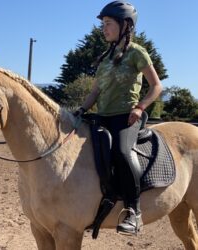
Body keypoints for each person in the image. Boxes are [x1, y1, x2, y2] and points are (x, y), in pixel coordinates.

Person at [75, 1, 163, 235]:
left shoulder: (137, 52)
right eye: (102, 24)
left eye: (107, 24)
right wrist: (81, 110)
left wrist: (140, 107)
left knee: (122, 152)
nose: (103, 29)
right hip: (102, 116)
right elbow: (95, 92)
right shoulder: (105, 59)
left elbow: (156, 86)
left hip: (126, 117)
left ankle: (134, 212)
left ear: (125, 25)